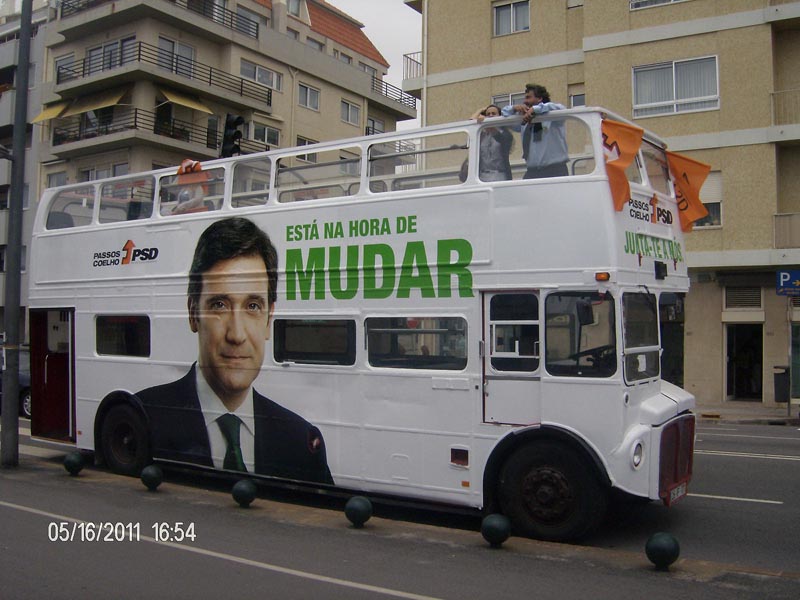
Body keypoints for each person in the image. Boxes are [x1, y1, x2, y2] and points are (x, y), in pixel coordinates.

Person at [136, 217, 334, 484]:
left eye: (253, 306)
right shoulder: (143, 420)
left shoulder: (301, 441)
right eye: (219, 305)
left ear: (268, 320)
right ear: (193, 314)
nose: (237, 334)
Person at [502, 84, 569, 179]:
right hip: (533, 171)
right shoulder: (524, 120)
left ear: (540, 98)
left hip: (556, 170)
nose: (525, 101)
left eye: (528, 97)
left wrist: (536, 109)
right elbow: (504, 115)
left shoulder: (552, 117)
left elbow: (562, 108)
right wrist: (514, 108)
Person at [472, 104, 513, 181]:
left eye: (493, 114)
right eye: (488, 114)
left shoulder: (505, 134)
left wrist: (487, 123)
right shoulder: (482, 135)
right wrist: (480, 110)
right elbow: (471, 124)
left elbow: (500, 138)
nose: (490, 116)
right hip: (482, 176)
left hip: (500, 175)